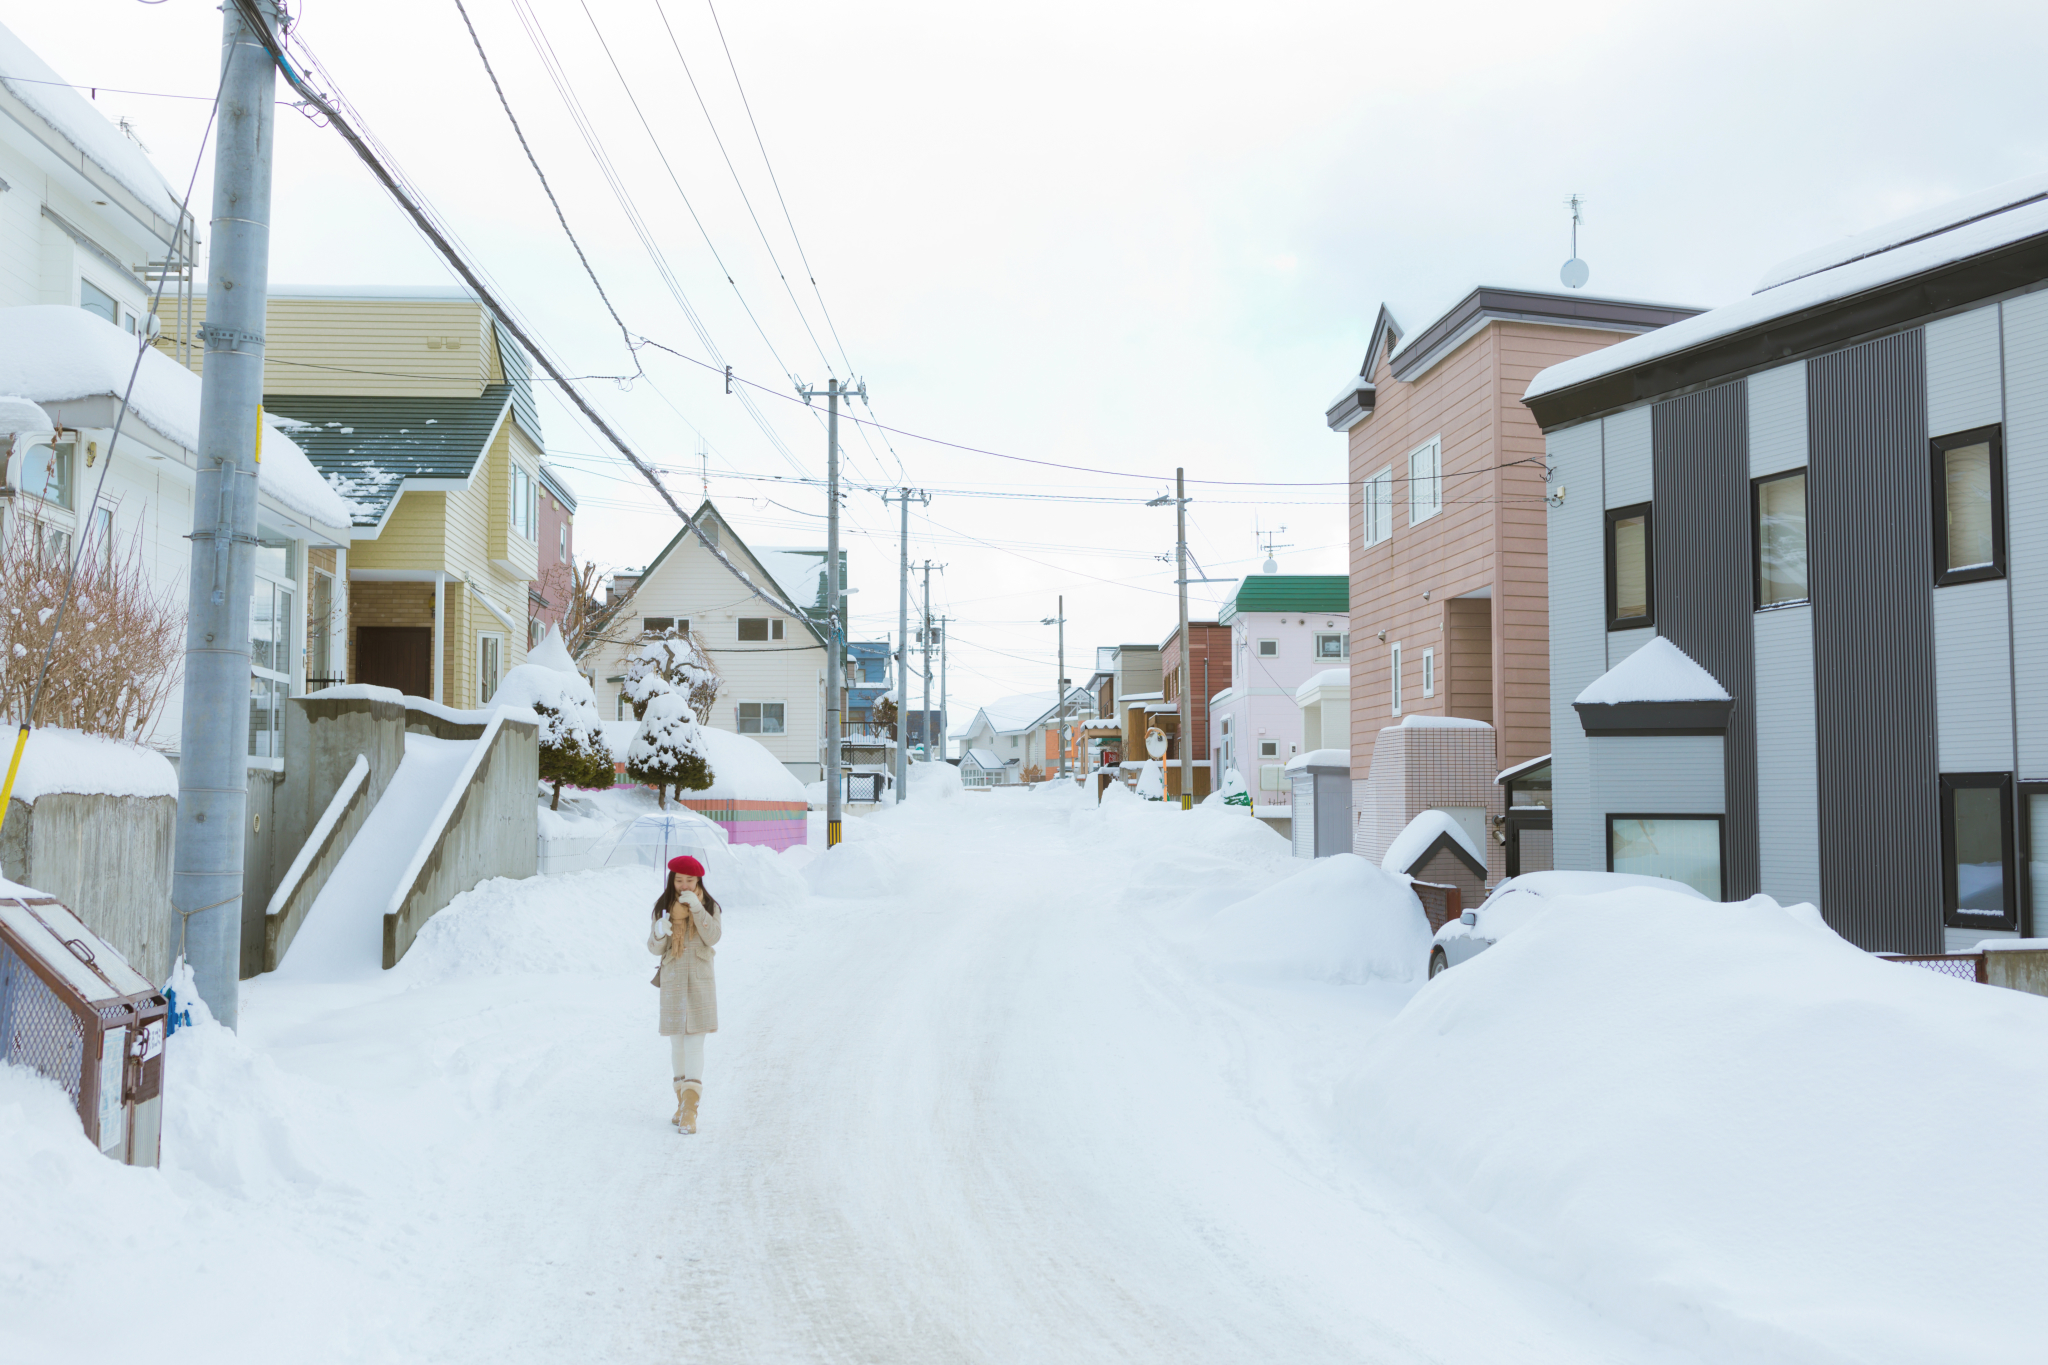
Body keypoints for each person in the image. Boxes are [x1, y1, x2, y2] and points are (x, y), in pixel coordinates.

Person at [647, 854, 721, 1134]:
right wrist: (659, 932)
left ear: (699, 879)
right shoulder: (663, 906)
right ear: (672, 880)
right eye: (679, 880)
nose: (684, 885)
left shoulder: (711, 906)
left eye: (690, 880)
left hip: (700, 982)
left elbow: (713, 937)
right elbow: (654, 949)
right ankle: (680, 1103)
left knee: (694, 1045)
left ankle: (691, 1111)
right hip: (674, 980)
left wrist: (698, 910)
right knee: (677, 1044)